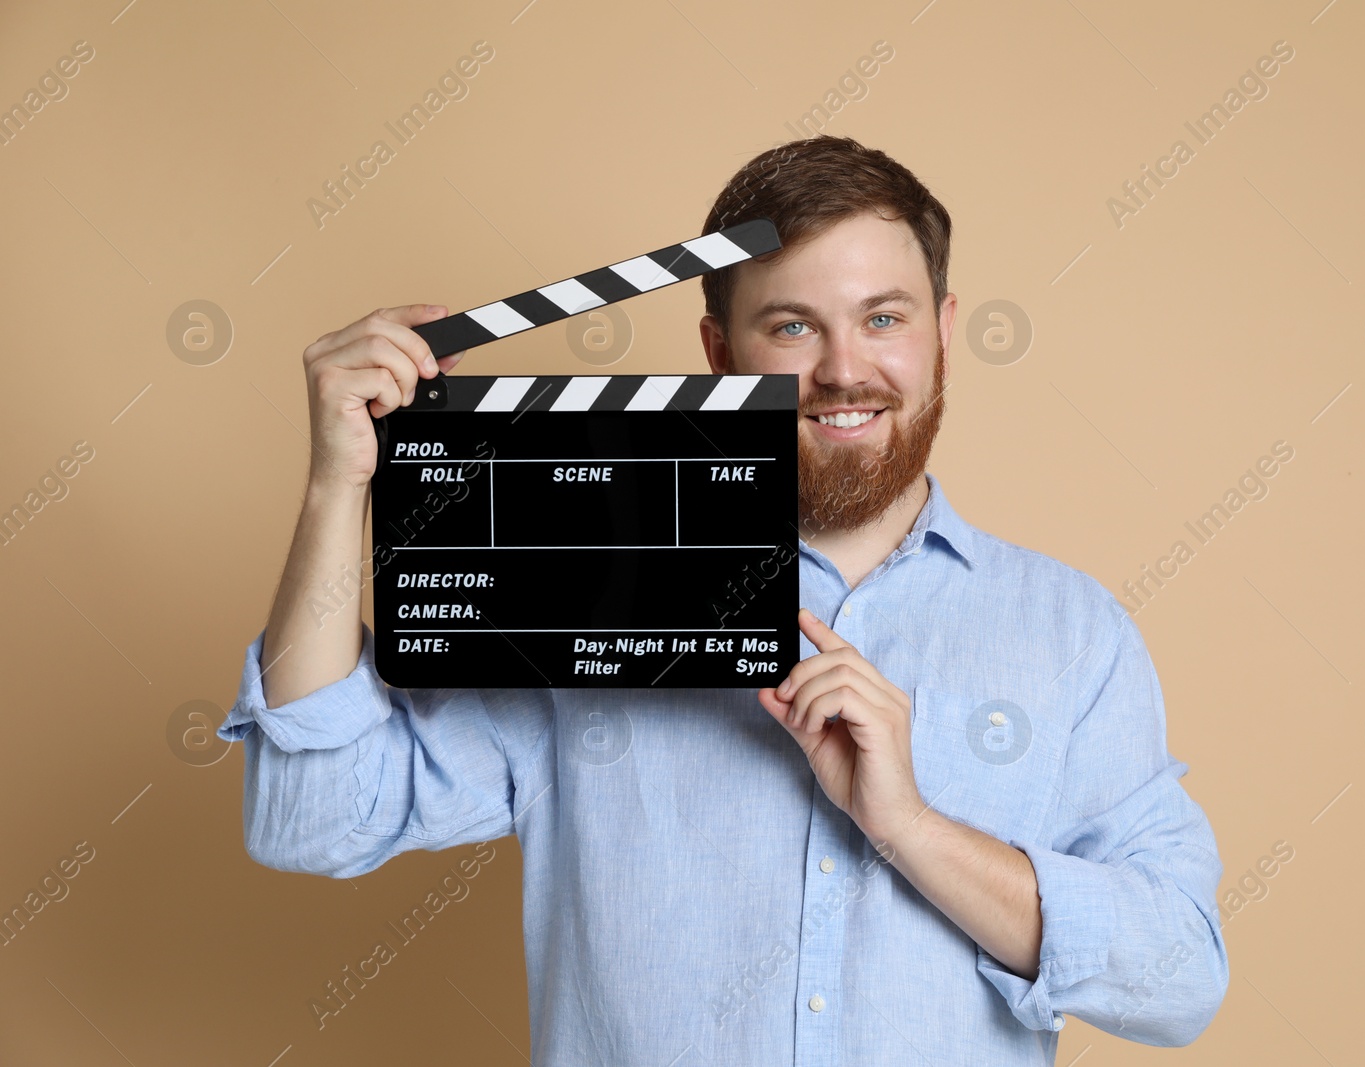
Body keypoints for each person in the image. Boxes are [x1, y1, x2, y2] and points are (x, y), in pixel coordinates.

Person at [219, 134, 1228, 1063]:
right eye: (793, 325)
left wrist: (910, 825)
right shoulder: (592, 593)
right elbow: (314, 819)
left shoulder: (1068, 631)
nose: (844, 370)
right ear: (718, 351)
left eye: (884, 317)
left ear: (942, 331)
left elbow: (1178, 976)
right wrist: (335, 486)